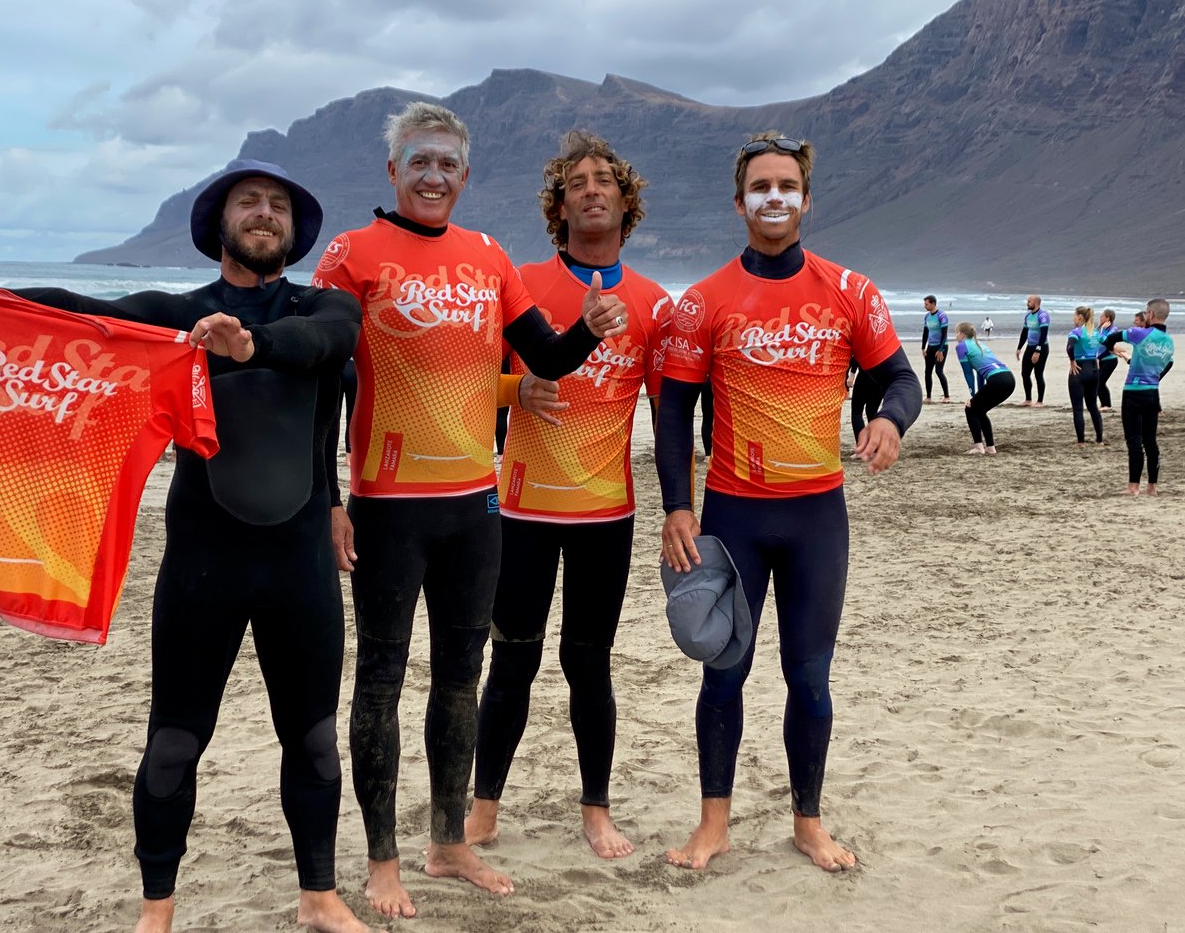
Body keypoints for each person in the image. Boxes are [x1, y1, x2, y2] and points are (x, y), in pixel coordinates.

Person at [0, 158, 372, 933]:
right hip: (202, 564)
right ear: (220, 222)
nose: (265, 213)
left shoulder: (328, 306)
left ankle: (318, 894)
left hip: (301, 563)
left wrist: (249, 347)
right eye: (249, 201)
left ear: (294, 229)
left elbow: (324, 342)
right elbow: (82, 314)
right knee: (176, 741)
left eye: (279, 204)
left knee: (313, 741)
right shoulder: (175, 318)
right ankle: (158, 910)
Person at [314, 103, 627, 919]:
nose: (433, 175)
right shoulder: (354, 255)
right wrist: (329, 498)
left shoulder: (487, 257)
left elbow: (546, 356)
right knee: (379, 682)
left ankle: (447, 842)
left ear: (465, 174)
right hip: (387, 507)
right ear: (393, 171)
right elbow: (318, 380)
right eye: (418, 160)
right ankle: (384, 861)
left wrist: (588, 331)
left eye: (448, 163)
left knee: (461, 680)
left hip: (474, 509)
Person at [655, 132, 921, 874]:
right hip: (733, 515)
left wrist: (889, 420)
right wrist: (678, 505)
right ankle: (714, 825)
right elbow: (673, 411)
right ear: (739, 202)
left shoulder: (849, 291)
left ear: (806, 198)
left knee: (809, 676)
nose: (774, 197)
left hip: (816, 519)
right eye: (760, 187)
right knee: (724, 673)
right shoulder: (703, 301)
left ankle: (808, 820)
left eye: (787, 185)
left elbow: (901, 380)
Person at [465, 130, 673, 861]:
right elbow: (469, 383)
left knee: (590, 664)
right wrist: (517, 388)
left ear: (625, 201)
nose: (591, 189)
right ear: (559, 206)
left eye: (604, 180)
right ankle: (483, 808)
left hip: (605, 514)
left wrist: (683, 504)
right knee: (512, 661)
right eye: (576, 182)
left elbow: (671, 411)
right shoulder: (518, 286)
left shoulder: (651, 302)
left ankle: (595, 809)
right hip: (520, 510)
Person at [1104, 299, 1175, 496]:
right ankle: (1152, 486)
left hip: (1133, 392)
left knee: (1134, 441)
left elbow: (1110, 338)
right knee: (1150, 441)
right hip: (1153, 393)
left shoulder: (1139, 334)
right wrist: (1154, 377)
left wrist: (1112, 350)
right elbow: (1169, 363)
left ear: (1150, 314)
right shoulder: (1169, 342)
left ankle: (1133, 487)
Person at [956, 322, 1016, 454]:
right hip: (1009, 379)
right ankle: (990, 448)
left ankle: (978, 447)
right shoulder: (980, 344)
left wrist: (972, 396)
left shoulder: (961, 346)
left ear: (961, 334)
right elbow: (980, 373)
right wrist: (977, 395)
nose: (956, 336)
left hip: (997, 380)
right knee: (980, 409)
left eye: (957, 333)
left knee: (970, 409)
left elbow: (968, 373)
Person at [1066, 306, 1105, 446]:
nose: (1073, 318)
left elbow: (1070, 347)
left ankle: (1081, 442)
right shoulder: (1095, 332)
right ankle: (1099, 439)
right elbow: (1107, 343)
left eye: (1074, 316)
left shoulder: (1076, 332)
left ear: (1080, 317)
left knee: (1077, 408)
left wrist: (1072, 360)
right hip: (1094, 370)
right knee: (1093, 406)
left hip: (1079, 370)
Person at [1015, 294, 1050, 406]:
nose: (1027, 303)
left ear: (1036, 303)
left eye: (1029, 301)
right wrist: (1019, 347)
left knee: (1038, 374)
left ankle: (1040, 401)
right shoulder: (1028, 316)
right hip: (1030, 347)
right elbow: (1024, 332)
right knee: (1025, 373)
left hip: (1042, 347)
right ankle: (1028, 399)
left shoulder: (1043, 315)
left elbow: (1044, 334)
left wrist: (1038, 351)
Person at [921, 295, 951, 402]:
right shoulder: (927, 316)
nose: (925, 306)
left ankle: (947, 396)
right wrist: (923, 348)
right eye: (925, 304)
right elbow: (925, 333)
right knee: (927, 372)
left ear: (933, 304)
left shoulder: (942, 315)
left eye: (926, 304)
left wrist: (941, 350)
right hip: (930, 347)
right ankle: (928, 397)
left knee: (939, 371)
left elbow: (944, 334)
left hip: (941, 347)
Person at [846, 357, 883, 443]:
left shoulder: (863, 343)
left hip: (864, 376)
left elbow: (856, 355)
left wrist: (852, 374)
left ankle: (861, 447)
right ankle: (875, 447)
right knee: (872, 413)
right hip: (880, 380)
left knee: (856, 412)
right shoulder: (885, 343)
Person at [1097, 308, 1120, 410]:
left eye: (1102, 316)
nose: (1100, 317)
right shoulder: (1099, 328)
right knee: (1097, 383)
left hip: (1110, 359)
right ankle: (1104, 404)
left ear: (1108, 318)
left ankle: (1107, 405)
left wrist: (1102, 330)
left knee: (1100, 382)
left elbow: (1107, 344)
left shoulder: (1113, 329)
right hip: (1100, 359)